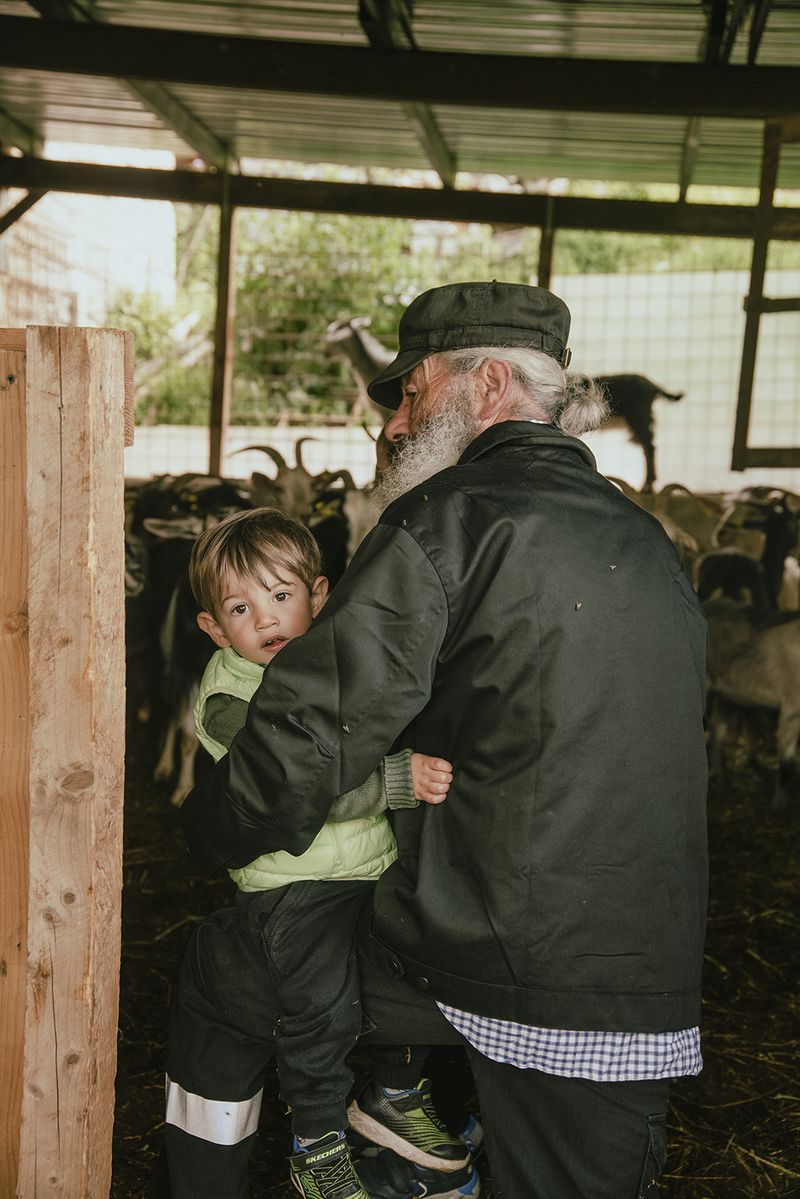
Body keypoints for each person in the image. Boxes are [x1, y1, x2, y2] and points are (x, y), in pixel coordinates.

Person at [170, 281, 709, 1199]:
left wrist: (202, 826)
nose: (394, 425)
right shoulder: (650, 541)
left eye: (412, 395)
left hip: (492, 963)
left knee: (219, 969)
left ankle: (262, 1166)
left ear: (487, 384)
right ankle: (409, 1124)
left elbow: (305, 741)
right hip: (641, 988)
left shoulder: (446, 522)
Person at [160, 506, 471, 1199]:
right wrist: (395, 781)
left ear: (320, 595)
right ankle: (318, 1140)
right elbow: (290, 787)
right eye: (241, 608)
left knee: (421, 957)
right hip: (295, 889)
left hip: (369, 870)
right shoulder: (229, 698)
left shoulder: (335, 664)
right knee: (321, 1001)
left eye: (281, 594)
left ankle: (396, 1091)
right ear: (214, 629)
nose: (266, 617)